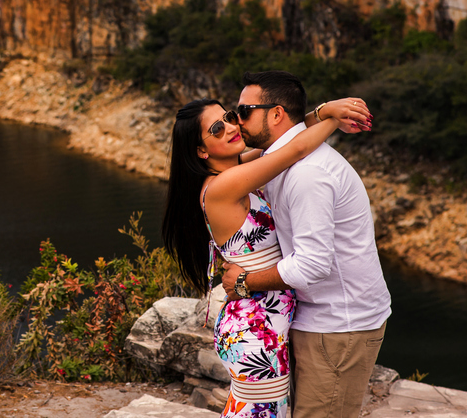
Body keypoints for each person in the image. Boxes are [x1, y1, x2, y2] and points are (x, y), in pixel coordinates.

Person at [161, 95, 371, 418]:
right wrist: (333, 119)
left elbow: (286, 139)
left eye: (230, 117)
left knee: (260, 411)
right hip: (255, 327)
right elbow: (294, 151)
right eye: (217, 128)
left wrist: (321, 112)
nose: (232, 127)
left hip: (264, 320)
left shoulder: (237, 170)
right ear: (201, 151)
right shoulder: (223, 186)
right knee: (260, 413)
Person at [220, 70, 391, 418]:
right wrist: (326, 112)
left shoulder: (307, 174)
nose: (236, 122)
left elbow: (312, 265)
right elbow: (297, 139)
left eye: (243, 111)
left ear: (277, 114)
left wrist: (243, 282)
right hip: (321, 318)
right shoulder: (281, 161)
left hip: (339, 324)